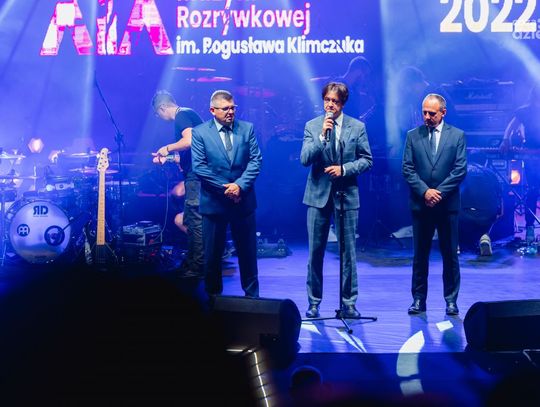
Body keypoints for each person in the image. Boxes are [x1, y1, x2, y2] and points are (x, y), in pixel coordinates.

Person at [300, 82, 373, 319]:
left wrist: (344, 169)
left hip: (346, 195)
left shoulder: (357, 127)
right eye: (327, 100)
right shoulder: (312, 126)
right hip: (317, 196)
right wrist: (322, 136)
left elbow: (367, 160)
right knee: (315, 252)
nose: (330, 105)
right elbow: (305, 159)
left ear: (343, 103)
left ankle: (348, 303)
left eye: (335, 101)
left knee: (348, 252)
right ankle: (314, 302)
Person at [191, 90, 262, 298]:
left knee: (248, 255)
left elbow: (256, 161)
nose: (230, 112)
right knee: (212, 257)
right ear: (212, 110)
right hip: (214, 204)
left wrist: (239, 186)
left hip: (243, 202)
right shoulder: (200, 132)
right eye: (225, 109)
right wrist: (227, 189)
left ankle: (253, 299)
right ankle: (214, 302)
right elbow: (199, 167)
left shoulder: (247, 128)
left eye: (233, 108)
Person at [402, 93, 467, 316]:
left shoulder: (457, 135)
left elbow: (460, 169)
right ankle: (418, 300)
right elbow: (407, 169)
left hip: (447, 206)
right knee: (420, 256)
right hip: (421, 206)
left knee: (450, 255)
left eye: (432, 113)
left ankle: (451, 301)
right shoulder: (412, 136)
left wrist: (438, 192)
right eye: (424, 113)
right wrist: (425, 192)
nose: (427, 117)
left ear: (443, 112)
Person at [151, 89, 204, 279]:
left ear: (162, 108)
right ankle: (195, 261)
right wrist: (168, 158)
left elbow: (189, 141)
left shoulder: (181, 115)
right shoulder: (187, 114)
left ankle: (198, 266)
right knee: (187, 220)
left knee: (193, 221)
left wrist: (167, 148)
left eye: (158, 114)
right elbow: (190, 152)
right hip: (196, 174)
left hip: (197, 176)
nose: (160, 117)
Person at [500, 84, 540, 243]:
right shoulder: (525, 111)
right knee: (534, 190)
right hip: (532, 156)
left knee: (534, 190)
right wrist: (505, 140)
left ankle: (530, 228)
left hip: (533, 155)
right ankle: (530, 228)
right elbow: (511, 127)